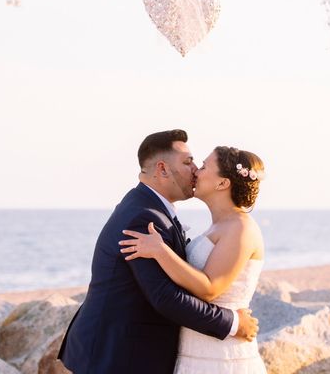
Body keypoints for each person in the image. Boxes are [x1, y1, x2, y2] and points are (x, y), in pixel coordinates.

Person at [57, 129, 259, 374]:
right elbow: (166, 296)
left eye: (199, 164)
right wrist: (234, 323)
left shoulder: (149, 209)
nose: (195, 169)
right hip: (118, 356)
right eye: (188, 162)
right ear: (163, 169)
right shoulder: (144, 218)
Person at [119, 145, 267, 373]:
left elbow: (210, 288)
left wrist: (161, 251)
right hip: (196, 348)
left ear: (222, 183)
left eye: (205, 166)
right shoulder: (218, 226)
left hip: (222, 355)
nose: (196, 170)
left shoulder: (241, 228)